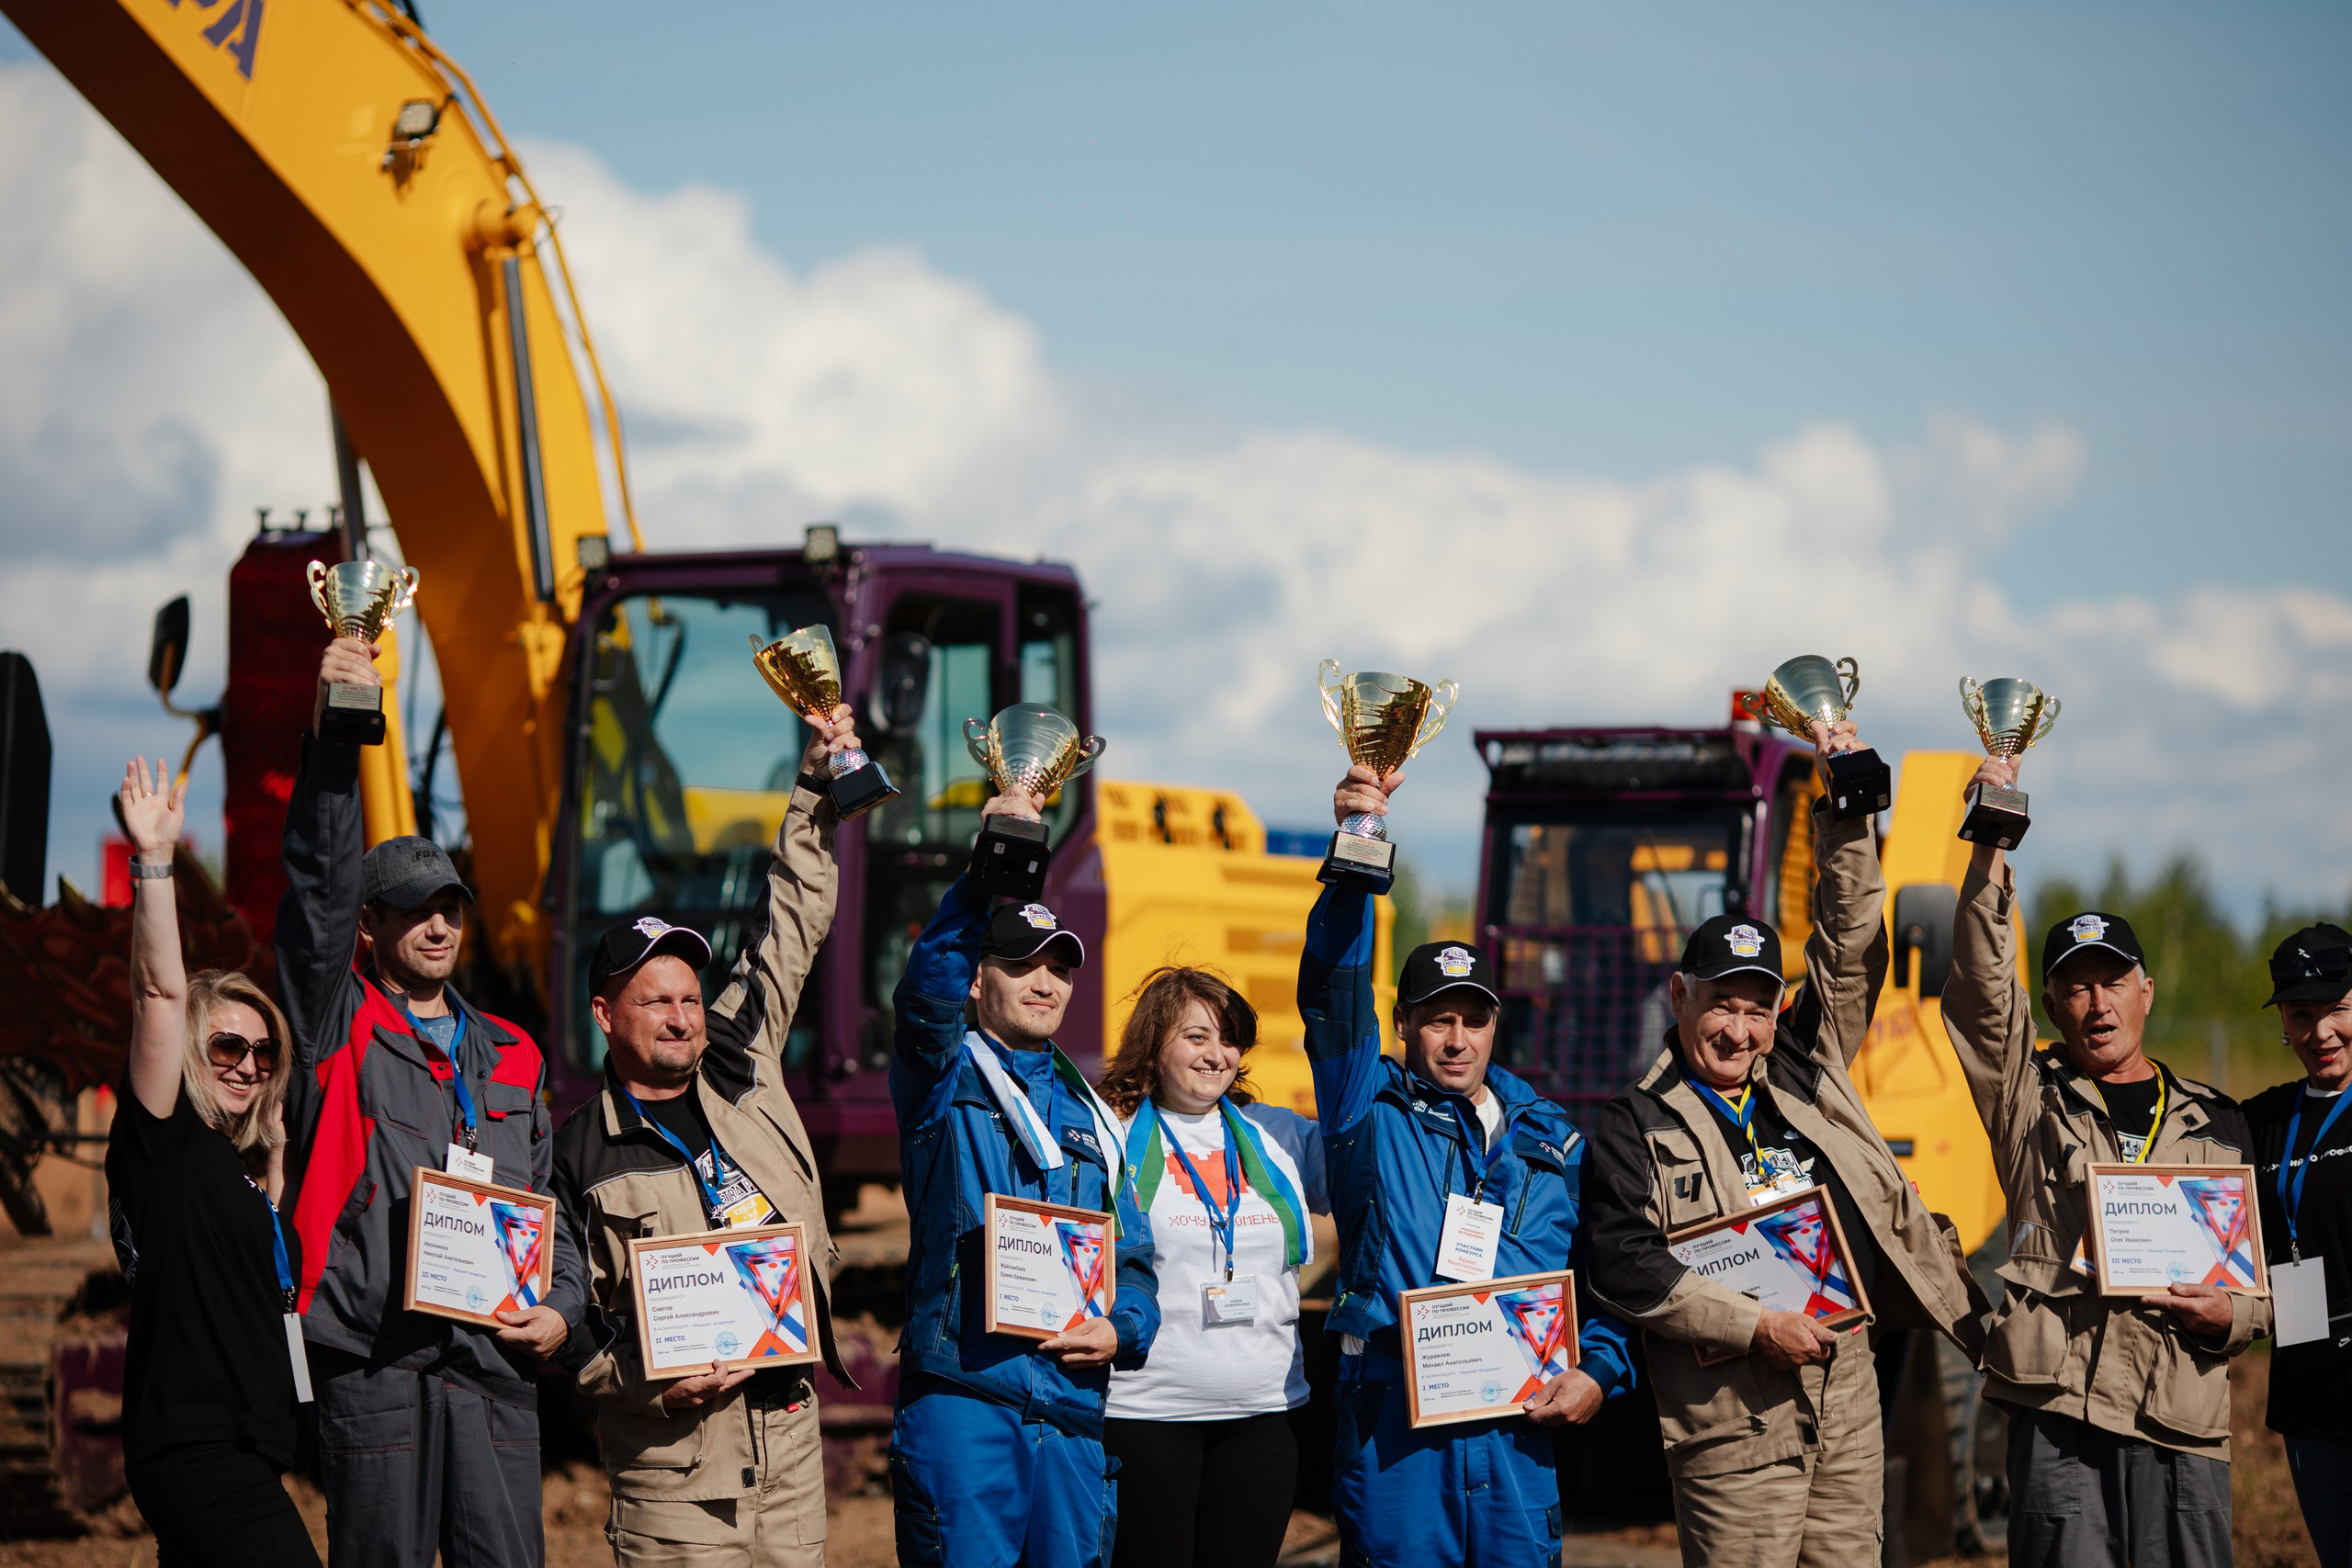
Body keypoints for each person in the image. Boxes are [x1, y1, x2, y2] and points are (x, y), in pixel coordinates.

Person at [1583, 720, 1988, 1568]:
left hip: (1845, 1400)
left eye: (1757, 1007)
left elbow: (1846, 947)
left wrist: (1845, 807)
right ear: (1679, 994)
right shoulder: (1631, 1122)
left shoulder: (1806, 1071)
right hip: (1732, 1424)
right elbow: (1626, 1263)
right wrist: (1754, 1324)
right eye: (1720, 1005)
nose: (1737, 1031)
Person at [275, 637, 582, 1568]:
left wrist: (563, 1304)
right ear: (370, 929)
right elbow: (314, 895)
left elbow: (546, 1209)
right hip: (376, 1361)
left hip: (493, 1367)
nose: (440, 923)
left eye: (449, 905)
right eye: (414, 908)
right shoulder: (336, 1024)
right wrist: (337, 739)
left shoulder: (514, 1053)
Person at [1301, 761, 1635, 1568]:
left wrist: (1599, 1369)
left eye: (1473, 1020)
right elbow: (1330, 990)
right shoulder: (1364, 1107)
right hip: (1397, 1426)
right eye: (1437, 1020)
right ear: (1403, 1021)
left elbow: (1612, 1274)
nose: (1456, 1040)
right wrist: (1360, 841)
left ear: (1496, 1024)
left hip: (1519, 1436)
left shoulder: (1551, 1136)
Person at [552, 708, 863, 1568]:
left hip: (790, 1443)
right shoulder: (577, 1151)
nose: (684, 1017)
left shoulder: (738, 1056)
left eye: (690, 996)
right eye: (657, 1001)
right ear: (606, 1016)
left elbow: (790, 923)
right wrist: (648, 1380)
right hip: (675, 1465)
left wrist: (813, 791)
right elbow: (563, 1324)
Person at [1942, 752, 2269, 1568]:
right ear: (2052, 1004)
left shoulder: (2220, 1122)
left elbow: (2269, 1280)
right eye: (2076, 987)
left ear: (2146, 991)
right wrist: (1991, 842)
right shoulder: (2028, 1096)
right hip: (2062, 1414)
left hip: (2182, 1417)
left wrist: (2236, 1318)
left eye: (2112, 981)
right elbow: (1985, 996)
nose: (2097, 1004)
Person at [887, 785, 1160, 1568]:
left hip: (1074, 1416)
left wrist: (1125, 1327)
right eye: (1018, 964)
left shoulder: (1097, 1117)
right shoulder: (943, 1076)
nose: (1044, 981)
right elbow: (928, 987)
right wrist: (993, 862)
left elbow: (1133, 1262)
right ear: (980, 980)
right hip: (967, 1402)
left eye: (1059, 968)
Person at [107, 756, 318, 1568]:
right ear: (192, 1050)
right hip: (197, 1447)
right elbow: (159, 993)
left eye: (264, 1053)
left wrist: (273, 1178)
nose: (248, 1062)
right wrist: (155, 858)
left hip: (242, 1447)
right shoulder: (164, 1141)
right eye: (228, 1044)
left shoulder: (232, 1172)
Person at [1099, 967, 1330, 1568]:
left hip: (1266, 1415)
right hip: (1148, 1414)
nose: (1216, 1053)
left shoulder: (1279, 1133)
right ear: (1155, 1041)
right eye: (1196, 1036)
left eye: (1228, 1038)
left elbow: (1364, 1167)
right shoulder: (1109, 1138)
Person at [2243, 922, 2352, 1568]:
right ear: (2283, 1020)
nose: (2321, 1033)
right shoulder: (2259, 1120)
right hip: (2309, 1388)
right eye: (2301, 1014)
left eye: (2337, 1008)